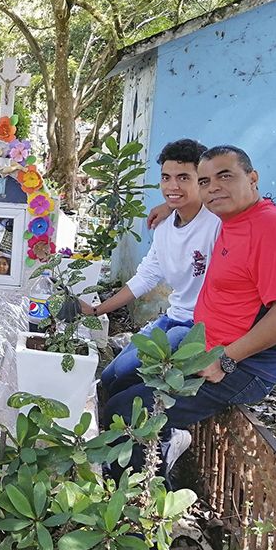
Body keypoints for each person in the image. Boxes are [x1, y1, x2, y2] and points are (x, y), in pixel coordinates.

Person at [101, 145, 276, 485]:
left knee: (127, 411)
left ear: (252, 179)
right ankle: (152, 460)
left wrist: (226, 359)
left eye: (225, 177)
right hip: (206, 343)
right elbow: (190, 203)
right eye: (206, 180)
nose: (214, 188)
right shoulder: (230, 218)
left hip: (244, 366)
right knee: (118, 385)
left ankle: (144, 509)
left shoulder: (270, 229)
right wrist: (170, 204)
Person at [84, 139, 220, 401]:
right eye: (166, 178)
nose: (172, 186)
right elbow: (145, 277)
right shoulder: (164, 227)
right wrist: (96, 310)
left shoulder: (216, 223)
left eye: (183, 177)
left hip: (200, 325)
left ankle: (165, 433)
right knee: (111, 376)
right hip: (173, 316)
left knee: (124, 386)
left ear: (201, 180)